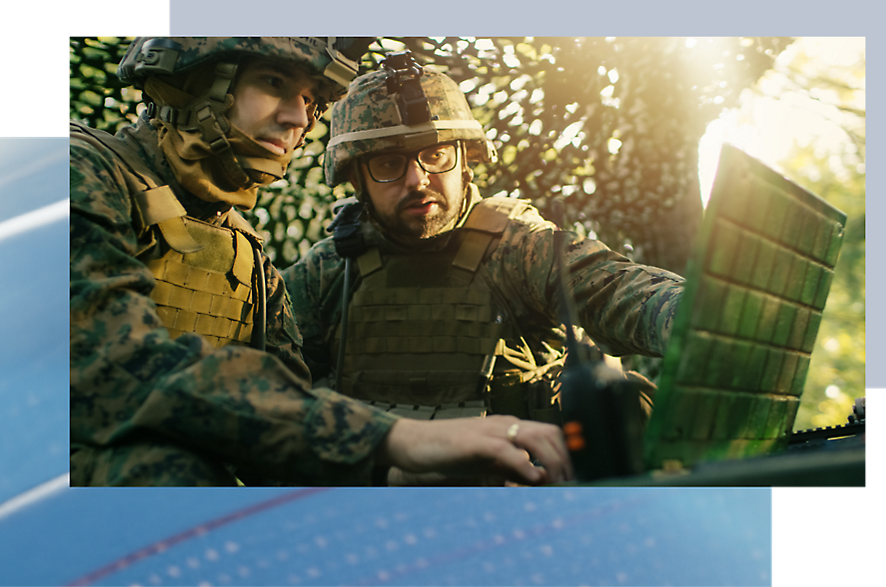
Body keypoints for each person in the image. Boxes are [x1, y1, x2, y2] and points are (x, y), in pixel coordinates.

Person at [70, 36, 571, 487]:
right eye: (273, 83)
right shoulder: (76, 171)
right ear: (195, 79)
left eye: (309, 100)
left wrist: (397, 475)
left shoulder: (244, 252)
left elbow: (276, 435)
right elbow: (117, 363)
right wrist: (396, 439)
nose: (297, 117)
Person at [282, 52, 686, 439]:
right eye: (389, 165)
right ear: (356, 180)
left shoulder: (518, 247)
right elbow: (267, 393)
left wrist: (696, 317)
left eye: (436, 154)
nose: (417, 180)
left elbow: (618, 290)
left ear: (465, 160)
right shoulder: (327, 272)